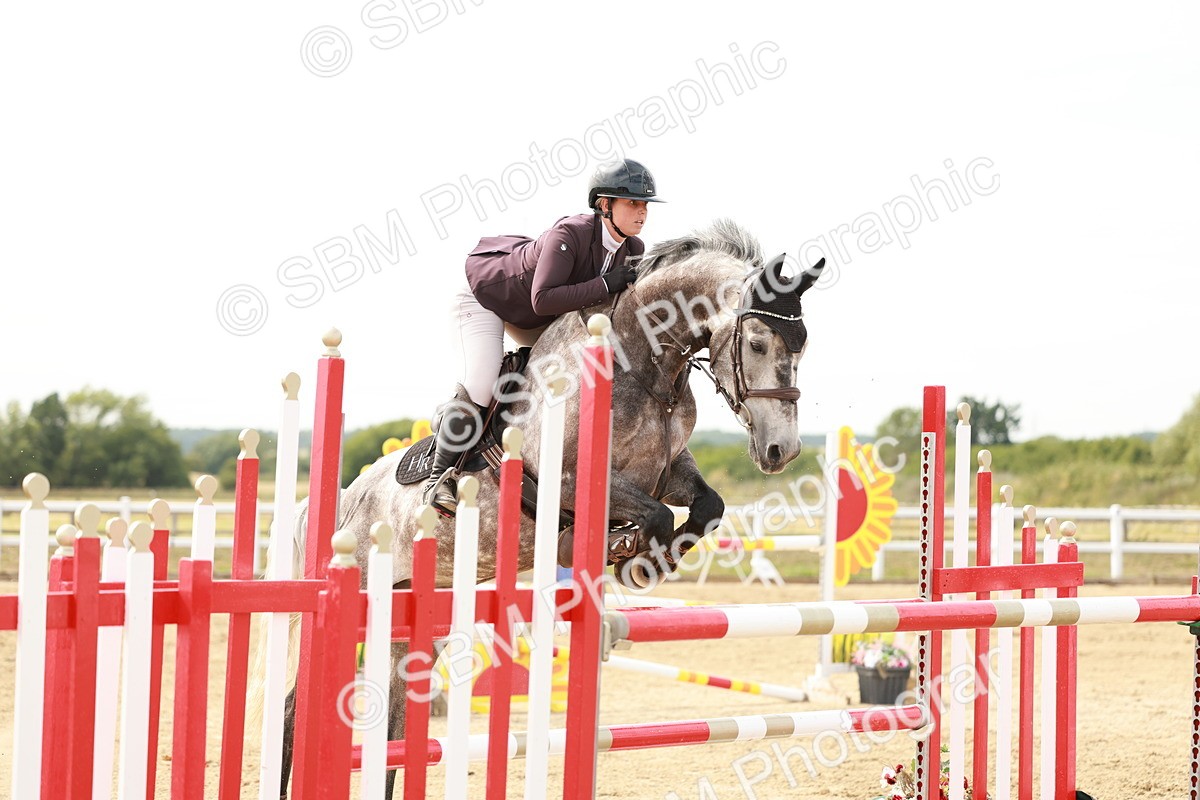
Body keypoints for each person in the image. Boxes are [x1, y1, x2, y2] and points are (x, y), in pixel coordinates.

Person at [422, 158, 664, 513]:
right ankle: (438, 478)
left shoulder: (633, 250)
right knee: (483, 380)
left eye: (645, 205)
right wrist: (605, 284)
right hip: (487, 300)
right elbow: (543, 296)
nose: (642, 212)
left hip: (538, 315)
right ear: (604, 205)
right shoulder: (571, 233)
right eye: (633, 203)